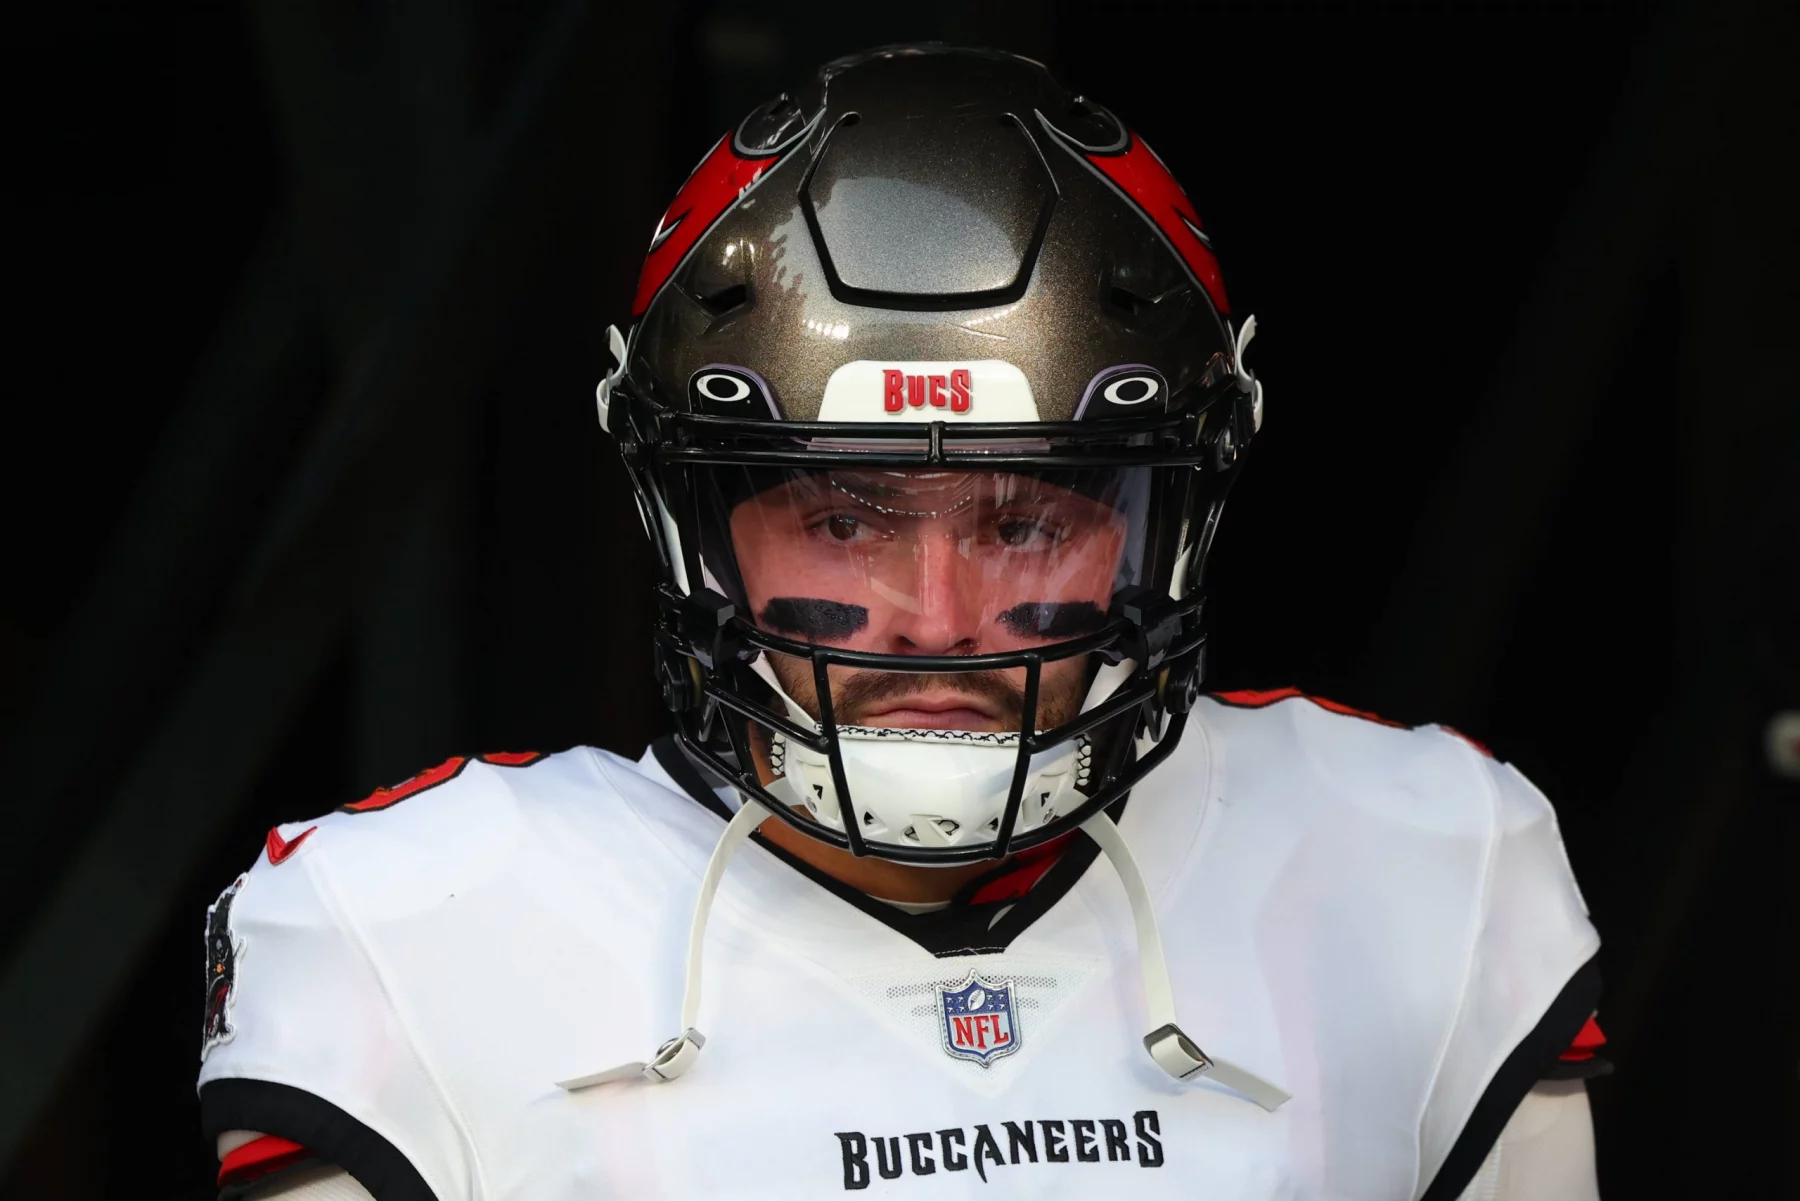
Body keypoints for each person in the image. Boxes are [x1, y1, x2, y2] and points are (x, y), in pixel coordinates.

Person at [195, 45, 1608, 1200]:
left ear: (1165, 518)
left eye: (1025, 521)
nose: (937, 619)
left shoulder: (1422, 861)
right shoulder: (406, 926)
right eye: (846, 520)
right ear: (698, 523)